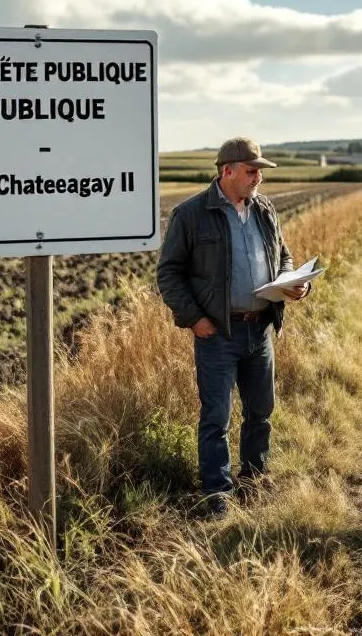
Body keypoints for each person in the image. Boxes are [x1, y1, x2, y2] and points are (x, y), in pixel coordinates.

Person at [156, 136, 311, 516]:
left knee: (260, 410)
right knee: (216, 416)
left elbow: (283, 253)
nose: (258, 178)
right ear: (227, 171)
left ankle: (255, 478)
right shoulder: (191, 214)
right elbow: (169, 273)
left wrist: (292, 281)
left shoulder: (264, 210)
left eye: (260, 171)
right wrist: (195, 319)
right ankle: (217, 493)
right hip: (218, 334)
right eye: (252, 171)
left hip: (259, 329)